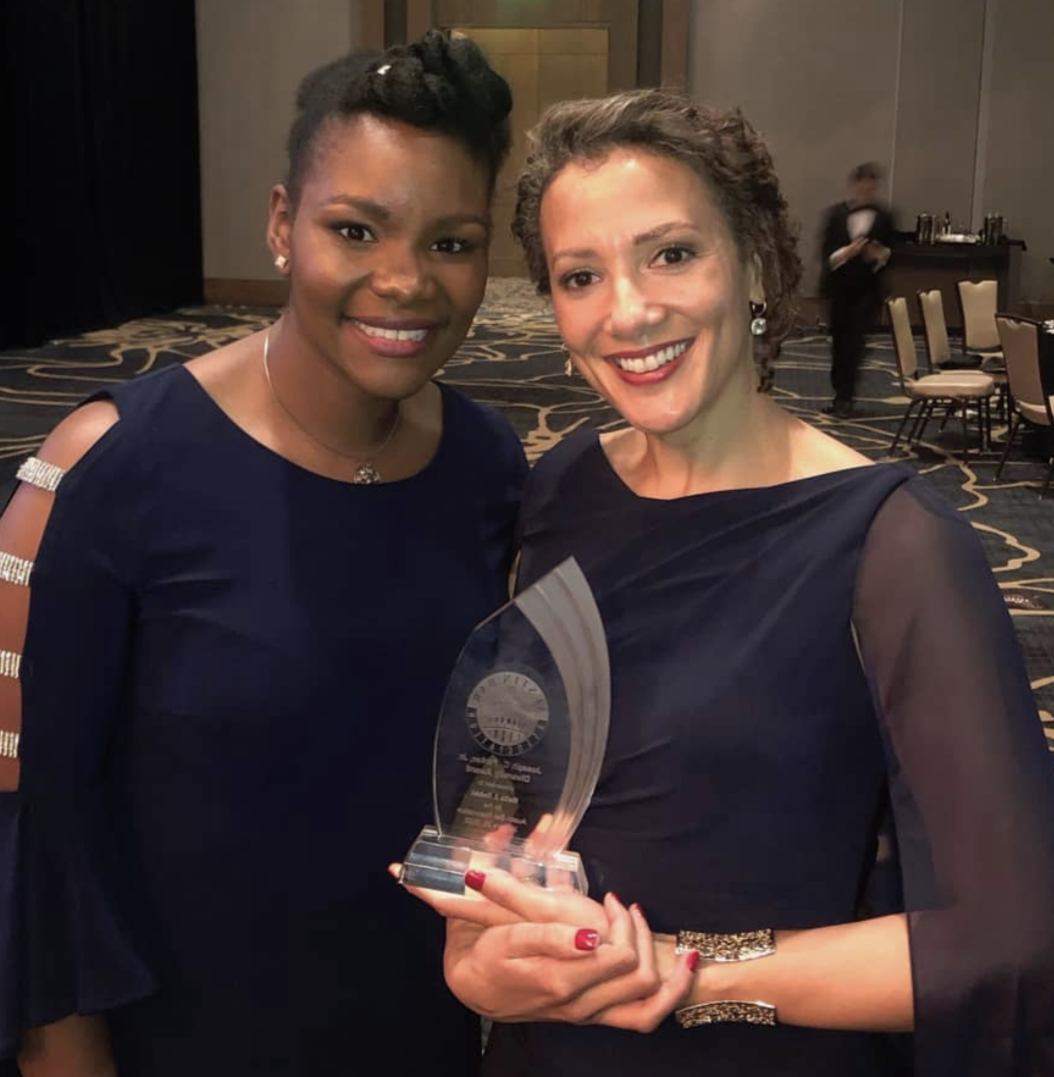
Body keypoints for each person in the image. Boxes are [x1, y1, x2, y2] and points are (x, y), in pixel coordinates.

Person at [397, 89, 1054, 1076]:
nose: (626, 311)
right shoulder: (558, 490)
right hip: (550, 1048)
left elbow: (1005, 939)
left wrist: (682, 974)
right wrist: (477, 958)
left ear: (751, 260)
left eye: (670, 253)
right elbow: (524, 776)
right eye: (582, 274)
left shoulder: (890, 542)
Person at [0, 29, 526, 1077]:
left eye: (450, 243)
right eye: (355, 228)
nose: (404, 281)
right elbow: (35, 833)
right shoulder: (111, 469)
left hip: (410, 1014)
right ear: (283, 225)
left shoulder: (487, 462)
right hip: (185, 1034)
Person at [819, 162, 895, 418]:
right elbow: (826, 256)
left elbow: (893, 253)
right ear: (855, 186)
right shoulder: (836, 215)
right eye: (863, 186)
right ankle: (840, 394)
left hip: (867, 291)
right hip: (840, 290)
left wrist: (880, 255)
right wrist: (847, 253)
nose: (867, 191)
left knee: (856, 342)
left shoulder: (885, 217)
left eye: (871, 187)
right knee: (840, 343)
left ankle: (846, 397)